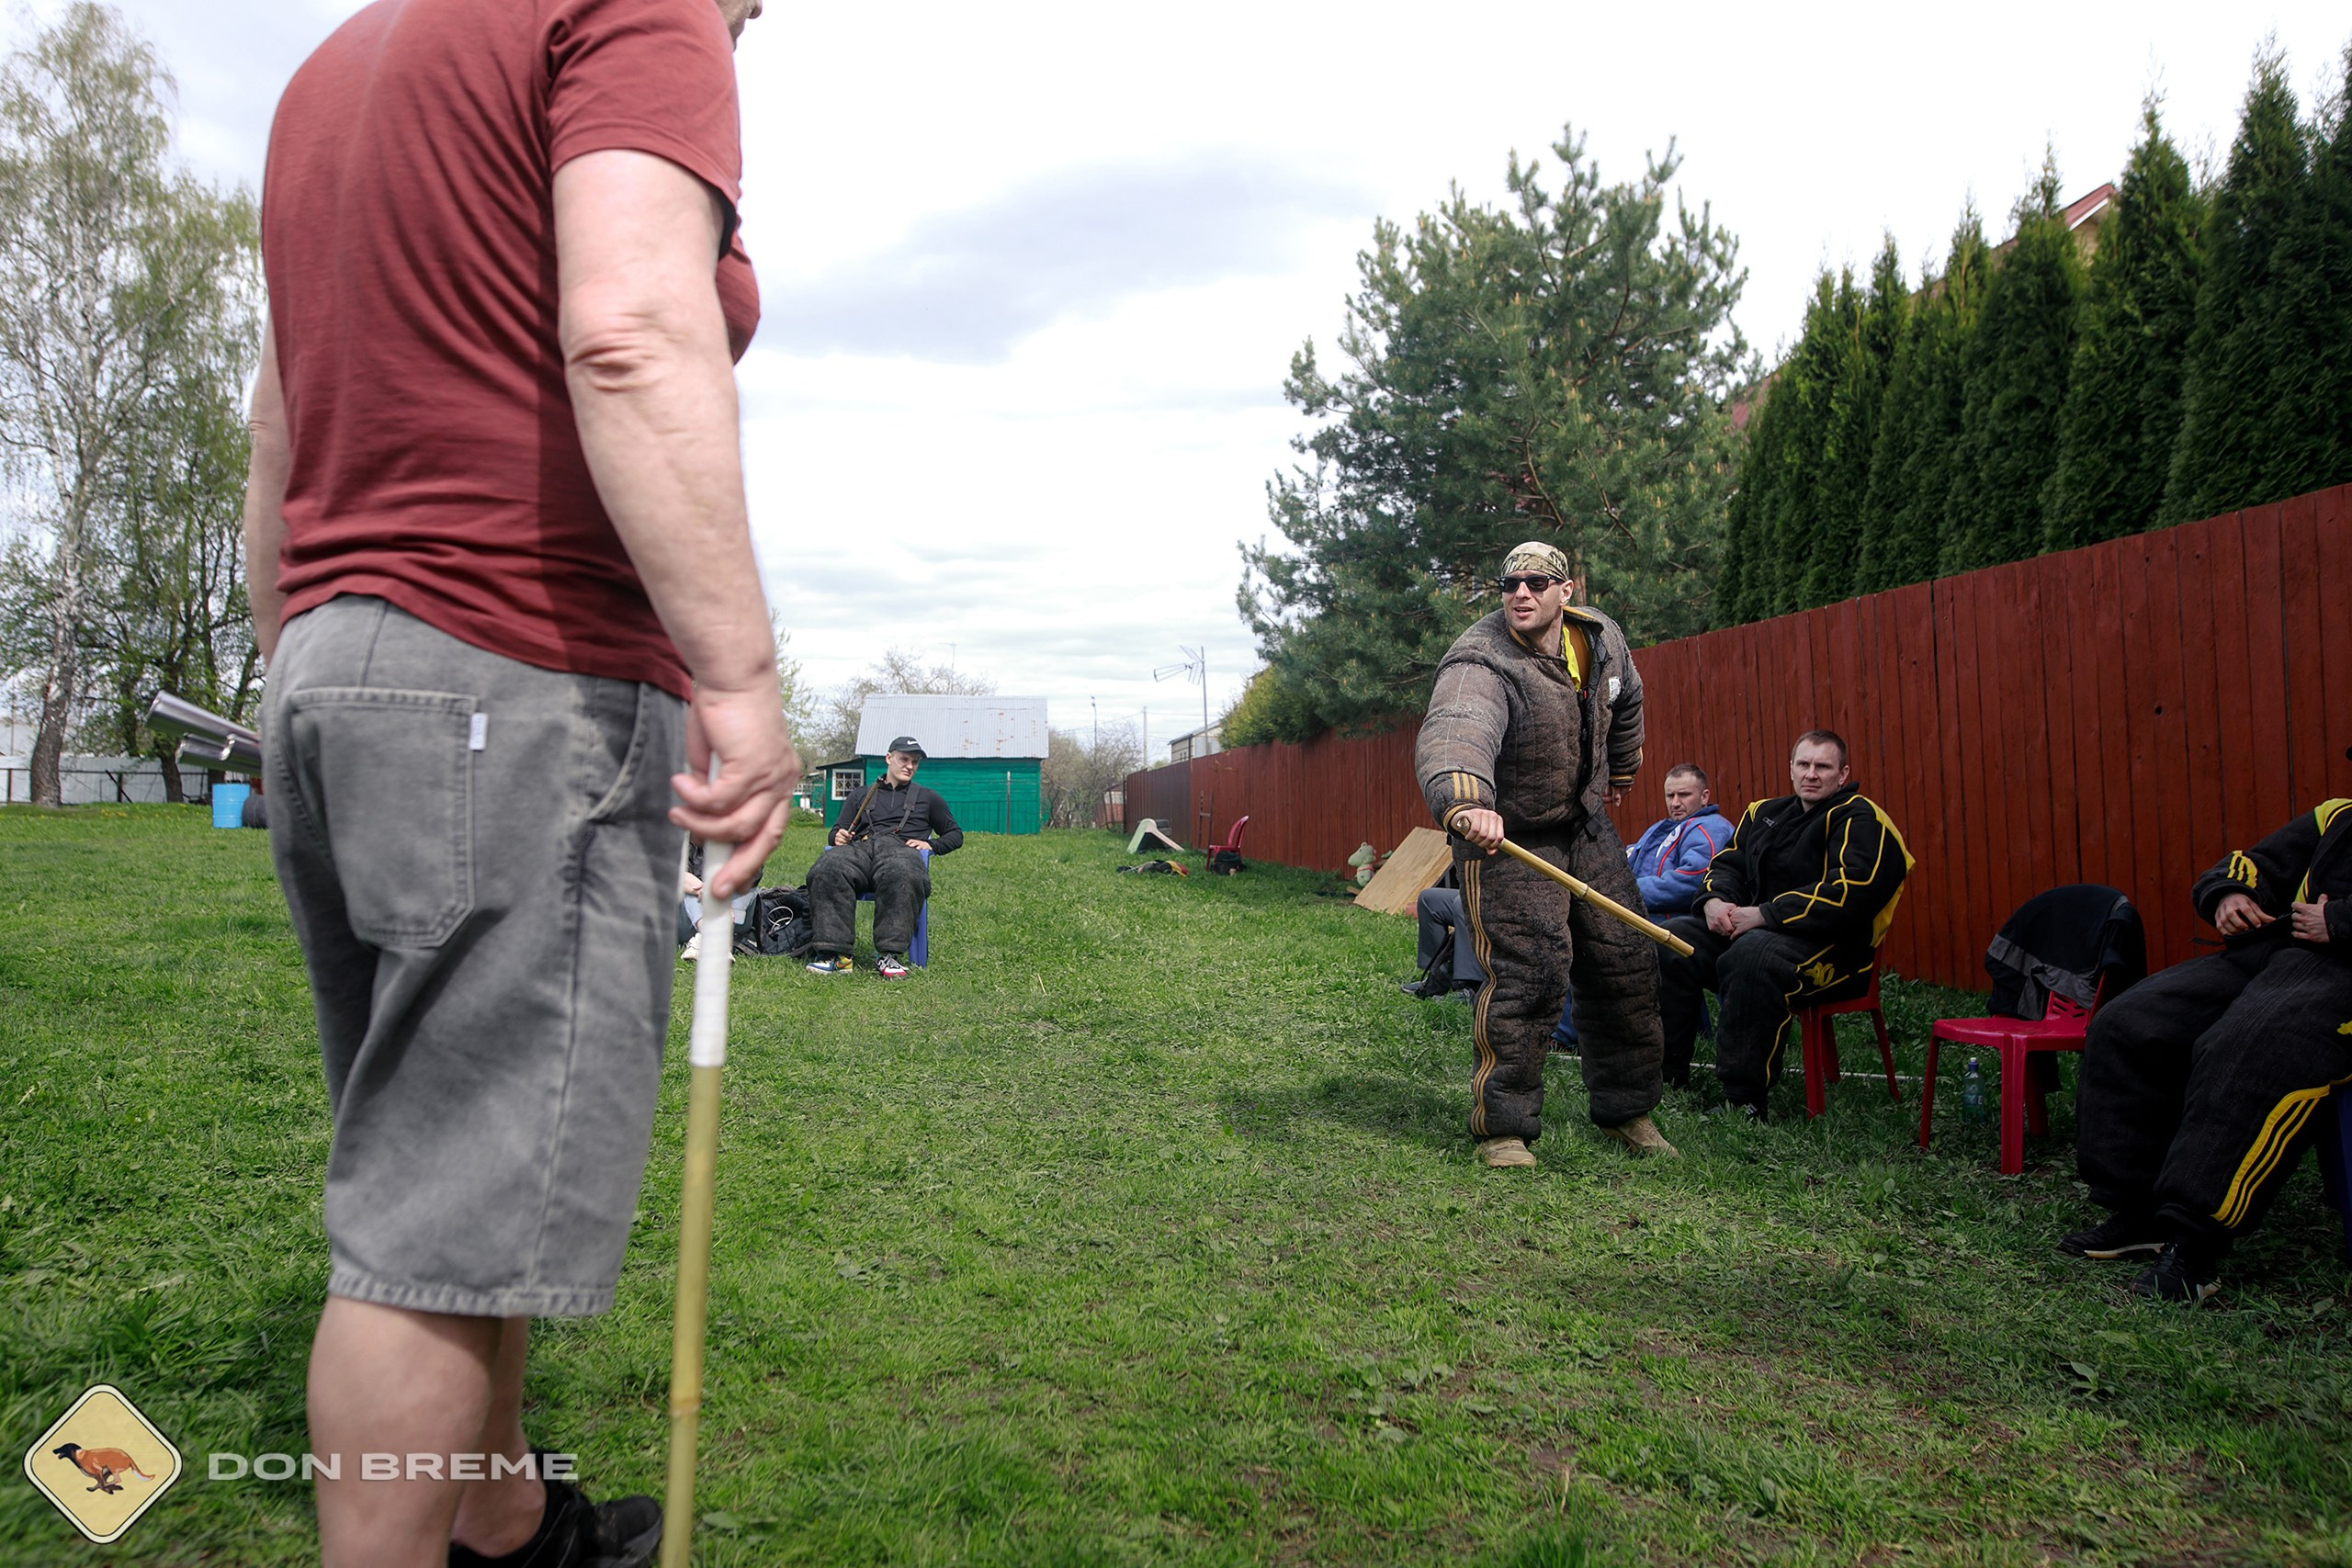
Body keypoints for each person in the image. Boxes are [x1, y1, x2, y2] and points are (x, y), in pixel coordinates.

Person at [243, 0, 796, 1562]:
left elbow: (280, 417)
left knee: (456, 1164)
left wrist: (306, 663)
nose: (749, 26)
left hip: (346, 660)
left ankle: (501, 1529)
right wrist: (740, 679)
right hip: (512, 666)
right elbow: (630, 327)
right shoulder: (633, 7)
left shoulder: (340, 66)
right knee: (432, 1232)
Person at [1415, 541, 1674, 1168]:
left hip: (1583, 824)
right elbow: (1457, 727)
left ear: (1566, 590)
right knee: (1531, 970)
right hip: (1507, 837)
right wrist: (1466, 798)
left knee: (1624, 957)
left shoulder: (1602, 639)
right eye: (1509, 583)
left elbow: (1626, 696)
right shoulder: (1481, 658)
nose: (1519, 594)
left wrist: (1624, 765)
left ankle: (1626, 1110)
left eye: (1535, 582)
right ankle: (1503, 1127)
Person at [2060, 798, 2351, 1303]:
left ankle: (2195, 1244)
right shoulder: (2339, 815)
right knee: (2127, 1024)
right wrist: (2230, 894)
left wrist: (2344, 922)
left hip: (2342, 973)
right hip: (2278, 952)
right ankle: (2139, 1209)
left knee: (2248, 1047)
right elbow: (2254, 862)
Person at [1657, 732, 1910, 1112]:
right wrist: (1713, 902)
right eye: (1803, 765)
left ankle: (1744, 1099)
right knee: (1671, 940)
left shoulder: (1864, 820)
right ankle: (1666, 1075)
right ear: (1791, 769)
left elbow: (1851, 893)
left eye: (1822, 766)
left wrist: (1766, 914)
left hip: (1839, 953)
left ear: (1843, 774)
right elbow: (1728, 864)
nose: (1811, 774)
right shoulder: (1765, 813)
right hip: (1754, 932)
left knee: (1752, 956)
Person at [805, 738, 963, 978]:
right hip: (860, 851)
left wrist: (930, 844)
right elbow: (836, 830)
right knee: (827, 867)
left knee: (901, 872)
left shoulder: (928, 798)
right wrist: (837, 836)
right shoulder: (861, 795)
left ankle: (888, 955)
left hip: (900, 852)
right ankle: (835, 955)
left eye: (915, 762)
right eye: (904, 759)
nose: (909, 766)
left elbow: (955, 835)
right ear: (889, 758)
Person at [1626, 764, 1730, 918]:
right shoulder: (1659, 828)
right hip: (1640, 922)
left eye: (1684, 795)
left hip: (1676, 930)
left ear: (1704, 797)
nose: (1675, 803)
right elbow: (1625, 864)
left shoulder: (1711, 828)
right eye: (1670, 795)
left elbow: (1693, 881)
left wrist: (1625, 892)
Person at [1402, 872, 1484, 999]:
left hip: (1514, 896)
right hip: (1486, 889)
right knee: (1429, 899)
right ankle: (1437, 978)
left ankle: (1470, 988)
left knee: (1463, 905)